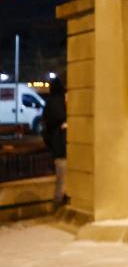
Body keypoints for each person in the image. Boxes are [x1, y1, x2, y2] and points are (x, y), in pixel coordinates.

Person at [41, 77, 68, 208]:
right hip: (61, 145)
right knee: (62, 176)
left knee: (61, 175)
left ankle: (59, 200)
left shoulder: (51, 102)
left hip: (57, 145)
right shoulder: (57, 102)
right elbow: (60, 117)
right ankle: (58, 202)